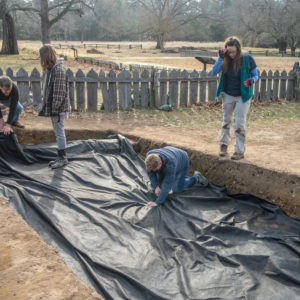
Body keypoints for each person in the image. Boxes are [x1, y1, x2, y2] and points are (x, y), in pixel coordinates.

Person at [211, 36, 258, 160]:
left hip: (243, 95)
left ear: (238, 49)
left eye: (233, 52)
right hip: (228, 94)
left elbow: (255, 75)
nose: (231, 54)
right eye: (229, 51)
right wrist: (220, 57)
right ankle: (223, 146)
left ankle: (239, 151)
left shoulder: (247, 58)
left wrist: (251, 80)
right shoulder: (224, 58)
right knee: (226, 121)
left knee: (239, 123)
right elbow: (213, 71)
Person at [39, 44, 70, 169]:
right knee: (58, 132)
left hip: (59, 108)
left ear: (46, 56)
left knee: (59, 132)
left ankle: (63, 158)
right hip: (56, 107)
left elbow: (59, 92)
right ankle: (60, 156)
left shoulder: (58, 70)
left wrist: (55, 110)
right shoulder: (55, 69)